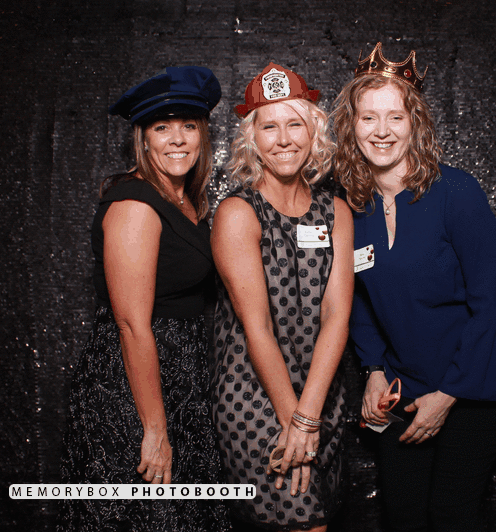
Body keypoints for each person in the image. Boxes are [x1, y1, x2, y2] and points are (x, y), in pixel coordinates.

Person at [332, 43, 496, 532]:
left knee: (449, 514)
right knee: (402, 513)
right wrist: (374, 369)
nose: (381, 131)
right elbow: (358, 299)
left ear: (415, 123)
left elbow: (490, 306)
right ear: (351, 126)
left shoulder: (456, 192)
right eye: (368, 117)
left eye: (395, 117)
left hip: (479, 377)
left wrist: (449, 393)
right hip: (409, 375)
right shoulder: (351, 205)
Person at [58, 66, 229, 532]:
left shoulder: (186, 202)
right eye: (161, 127)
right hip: (132, 389)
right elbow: (132, 324)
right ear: (144, 140)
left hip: (181, 380)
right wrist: (154, 428)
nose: (177, 139)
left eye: (188, 125)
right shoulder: (135, 204)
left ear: (203, 135)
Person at [211, 62, 353, 531]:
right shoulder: (238, 212)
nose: (284, 139)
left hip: (321, 394)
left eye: (295, 124)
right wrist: (294, 422)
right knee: (302, 522)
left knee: (318, 517)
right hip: (256, 396)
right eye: (269, 127)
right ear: (252, 139)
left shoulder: (336, 211)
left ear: (314, 133)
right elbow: (258, 329)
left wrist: (310, 417)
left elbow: (337, 315)